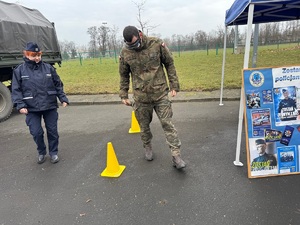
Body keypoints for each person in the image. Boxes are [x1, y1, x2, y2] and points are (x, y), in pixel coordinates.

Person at [119, 25, 186, 169]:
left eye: (136, 43)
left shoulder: (156, 44)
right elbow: (124, 74)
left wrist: (174, 85)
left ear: (140, 34)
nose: (134, 47)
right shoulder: (125, 52)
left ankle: (176, 155)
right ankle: (147, 146)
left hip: (160, 93)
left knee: (168, 124)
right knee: (144, 127)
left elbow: (169, 64)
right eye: (130, 45)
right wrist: (123, 94)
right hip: (141, 97)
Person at [12, 42, 69, 164]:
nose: (37, 58)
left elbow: (58, 84)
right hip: (31, 108)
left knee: (53, 131)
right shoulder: (19, 71)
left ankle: (53, 152)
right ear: (27, 55)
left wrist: (63, 98)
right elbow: (16, 90)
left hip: (49, 105)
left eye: (39, 55)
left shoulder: (49, 68)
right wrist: (20, 105)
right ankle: (41, 152)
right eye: (34, 55)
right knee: (37, 133)